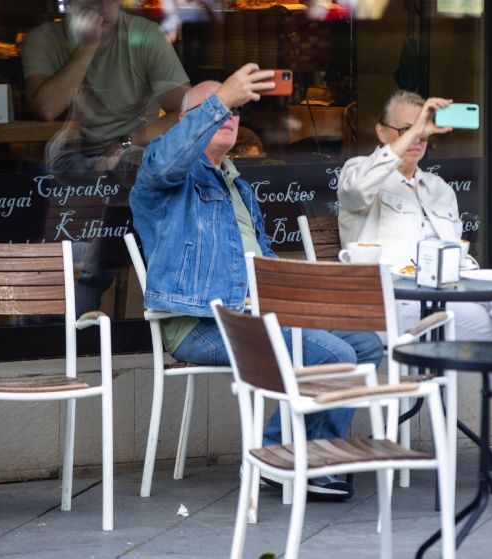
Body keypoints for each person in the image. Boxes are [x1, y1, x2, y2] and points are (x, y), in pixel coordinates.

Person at [129, 65, 383, 501]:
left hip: (257, 314)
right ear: (186, 121)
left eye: (234, 110)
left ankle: (310, 452)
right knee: (333, 355)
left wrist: (301, 294)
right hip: (202, 323)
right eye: (217, 108)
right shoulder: (163, 172)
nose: (228, 116)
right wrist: (222, 98)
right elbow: (167, 159)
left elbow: (262, 262)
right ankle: (280, 457)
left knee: (365, 344)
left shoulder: (238, 187)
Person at [337, 90, 492, 493]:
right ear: (382, 132)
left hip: (438, 308)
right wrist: (413, 131)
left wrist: (466, 272)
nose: (418, 138)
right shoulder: (358, 172)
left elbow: (453, 255)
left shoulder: (439, 188)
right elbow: (355, 193)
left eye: (424, 130)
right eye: (406, 129)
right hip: (385, 311)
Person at [21, 0, 190, 172]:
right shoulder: (44, 39)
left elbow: (187, 112)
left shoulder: (146, 35)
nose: (105, 8)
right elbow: (47, 109)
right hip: (62, 161)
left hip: (130, 161)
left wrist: (125, 143)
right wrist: (88, 46)